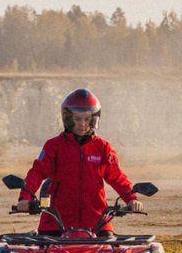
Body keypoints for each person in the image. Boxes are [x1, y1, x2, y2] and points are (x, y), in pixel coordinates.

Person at [15, 88, 141, 234]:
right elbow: (37, 173)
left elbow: (117, 176)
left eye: (87, 119)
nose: (82, 124)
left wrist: (131, 199)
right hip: (56, 223)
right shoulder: (54, 146)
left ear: (94, 119)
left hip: (97, 223)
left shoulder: (103, 148)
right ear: (68, 118)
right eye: (77, 119)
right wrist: (25, 198)